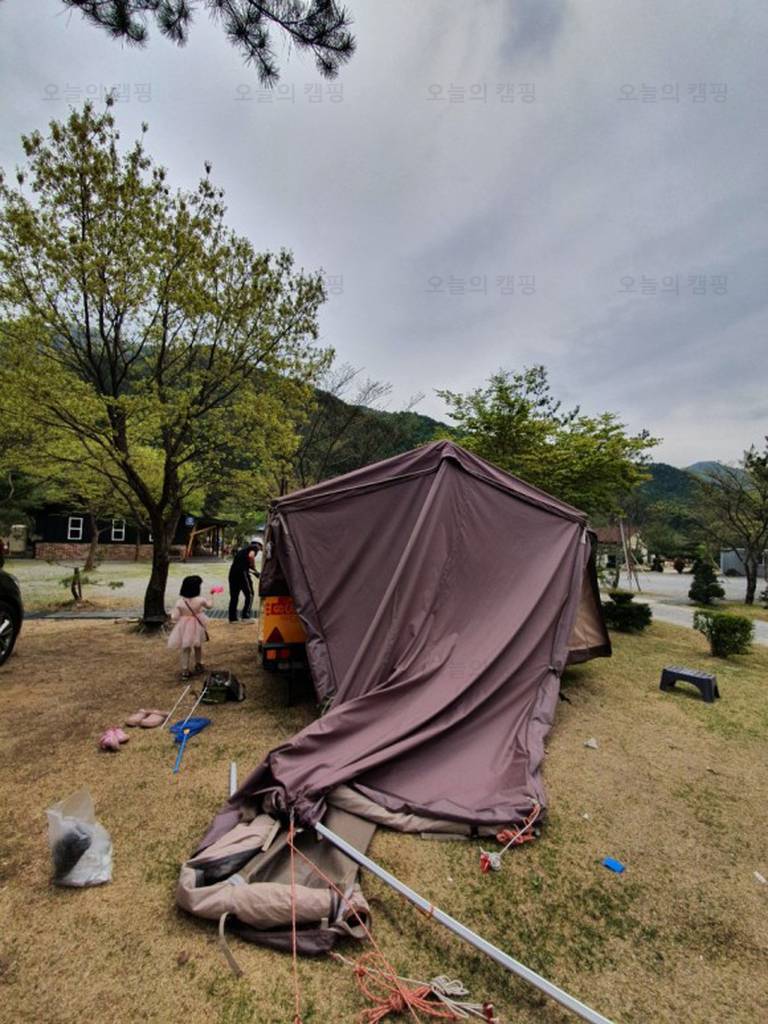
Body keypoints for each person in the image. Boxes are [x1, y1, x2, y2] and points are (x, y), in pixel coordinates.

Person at [167, 575, 213, 680]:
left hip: (184, 626)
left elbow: (175, 617)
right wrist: (212, 596)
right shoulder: (200, 600)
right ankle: (199, 664)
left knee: (185, 648)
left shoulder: (180, 602)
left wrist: (174, 614)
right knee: (198, 645)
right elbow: (209, 606)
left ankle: (185, 670)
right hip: (197, 625)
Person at [228, 541, 261, 622]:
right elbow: (251, 556)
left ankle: (232, 618)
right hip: (242, 574)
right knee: (250, 594)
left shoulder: (243, 550)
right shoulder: (254, 547)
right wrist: (254, 567)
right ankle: (245, 616)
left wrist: (254, 571)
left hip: (232, 574)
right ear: (258, 544)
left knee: (234, 596)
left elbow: (243, 564)